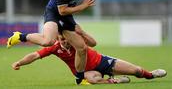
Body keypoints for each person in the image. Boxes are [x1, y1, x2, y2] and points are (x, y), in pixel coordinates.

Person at [7, 0, 108, 85]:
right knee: (48, 41)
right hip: (54, 13)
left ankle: (80, 79)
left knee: (81, 48)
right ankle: (20, 36)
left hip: (66, 16)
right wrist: (83, 6)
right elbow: (62, 10)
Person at [12, 34, 167, 85]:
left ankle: (151, 74)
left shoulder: (76, 38)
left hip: (102, 61)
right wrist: (19, 62)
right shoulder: (54, 47)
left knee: (137, 71)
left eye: (67, 38)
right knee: (92, 81)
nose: (65, 41)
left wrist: (82, 33)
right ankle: (116, 81)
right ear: (58, 38)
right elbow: (34, 55)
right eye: (62, 39)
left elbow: (93, 42)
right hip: (86, 72)